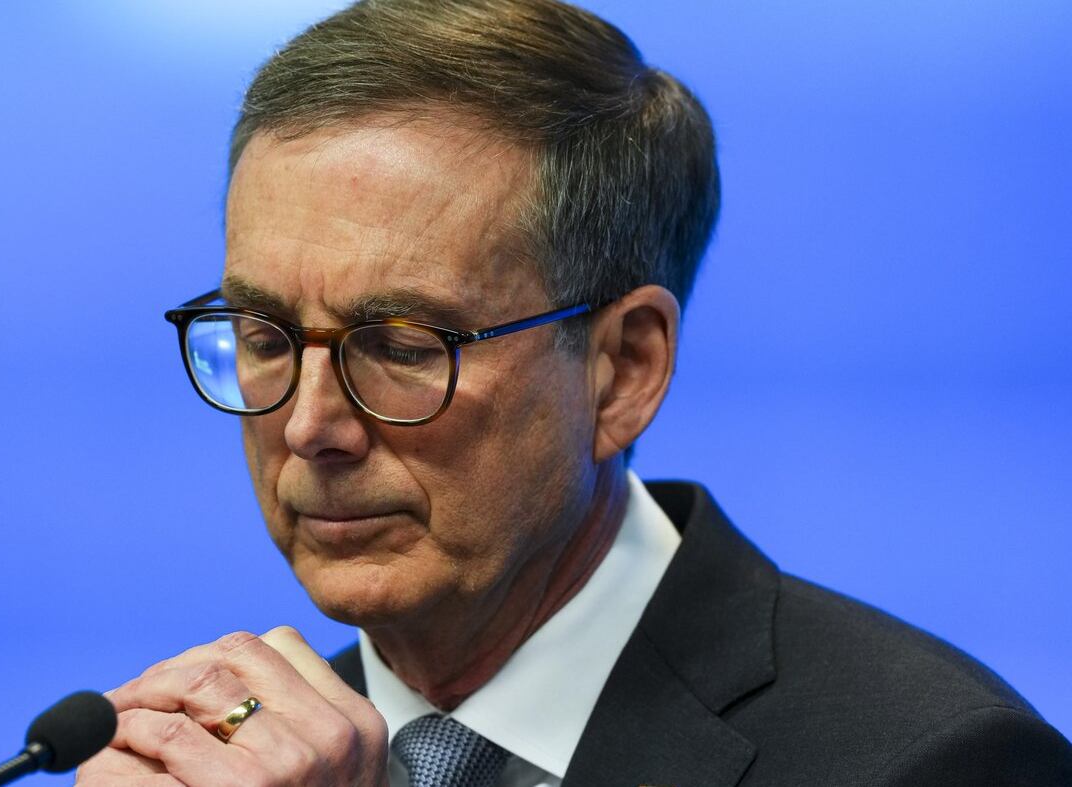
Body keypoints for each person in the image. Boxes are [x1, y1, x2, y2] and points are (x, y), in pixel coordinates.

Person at [77, 1, 1072, 784]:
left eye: (401, 347)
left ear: (622, 370)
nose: (308, 426)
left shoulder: (931, 758)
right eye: (264, 337)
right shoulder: (240, 759)